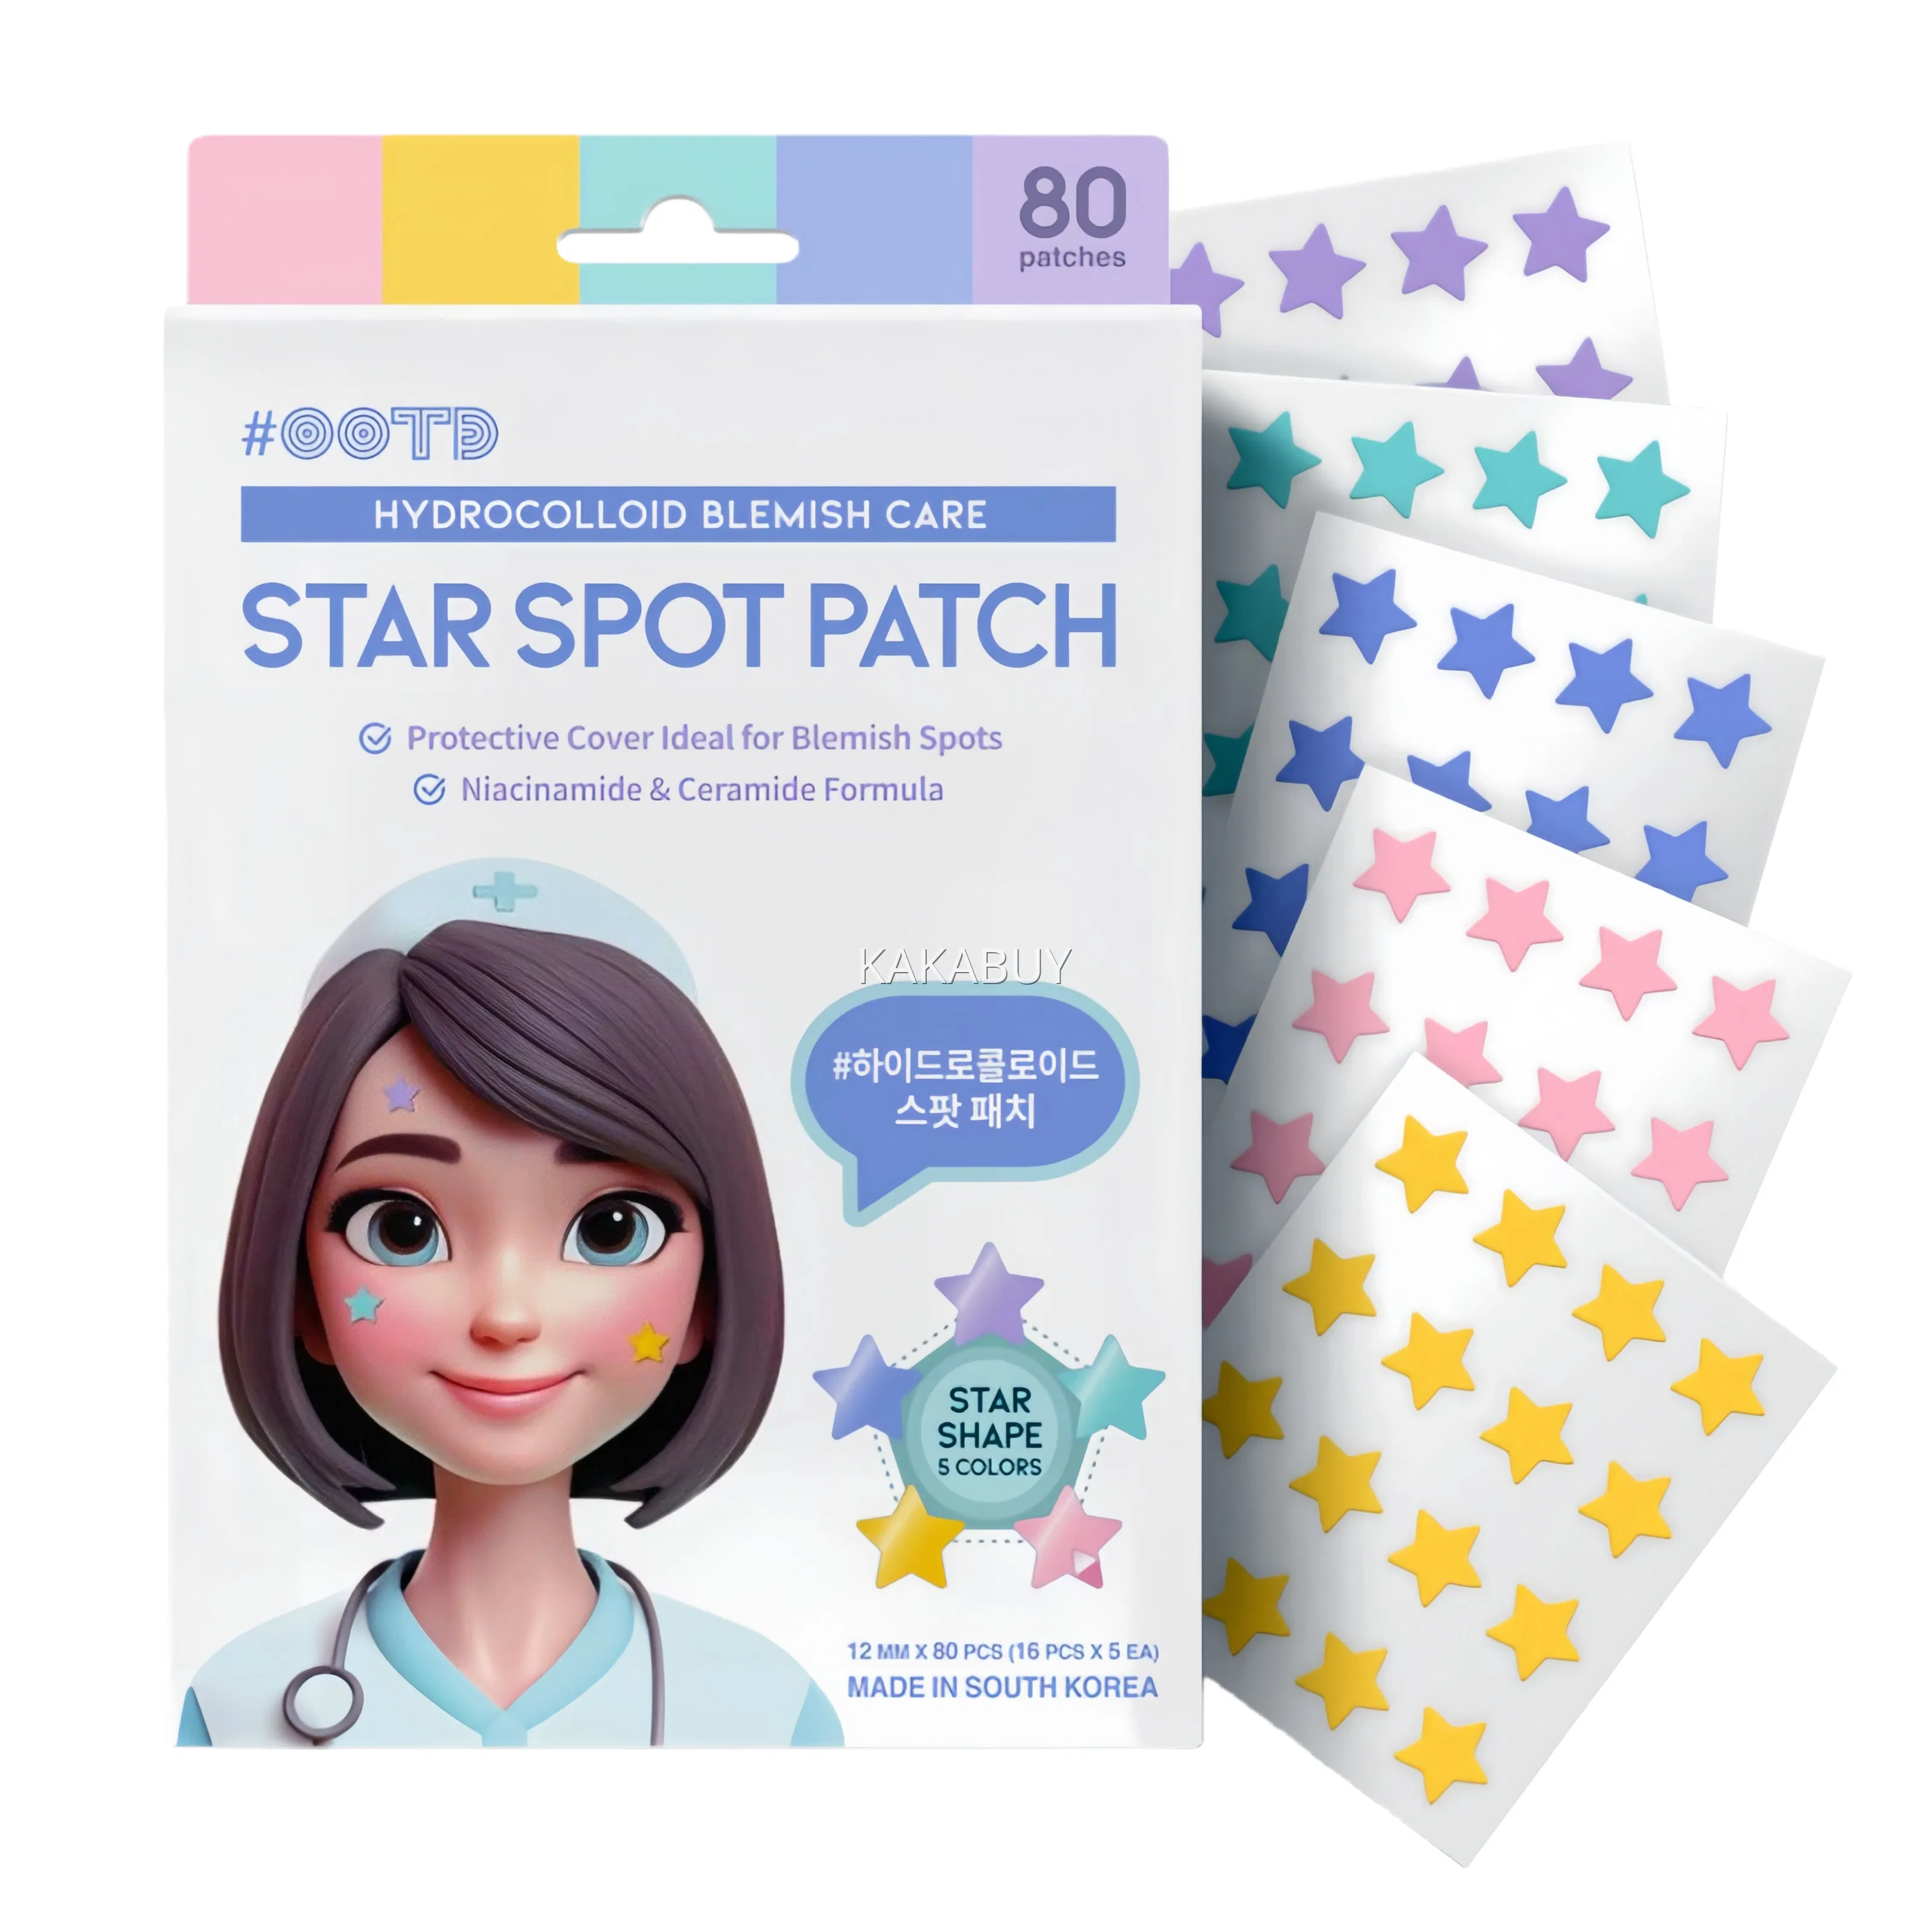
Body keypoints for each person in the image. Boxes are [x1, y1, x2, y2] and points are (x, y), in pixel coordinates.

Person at [181, 863, 841, 1747]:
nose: (507, 1314)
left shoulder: (765, 1713)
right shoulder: (238, 1707)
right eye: (402, 1228)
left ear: (708, 1299)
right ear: (302, 1295)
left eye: (611, 1229)